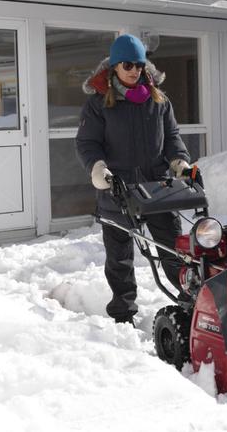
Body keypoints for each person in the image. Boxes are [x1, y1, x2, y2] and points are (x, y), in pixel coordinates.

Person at [76, 34, 193, 326]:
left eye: (139, 64)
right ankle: (123, 312)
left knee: (171, 249)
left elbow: (172, 138)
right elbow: (88, 143)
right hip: (117, 189)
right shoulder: (98, 104)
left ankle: (190, 300)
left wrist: (179, 161)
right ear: (115, 66)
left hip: (157, 188)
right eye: (128, 64)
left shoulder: (158, 99)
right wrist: (98, 169)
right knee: (120, 258)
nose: (134, 70)